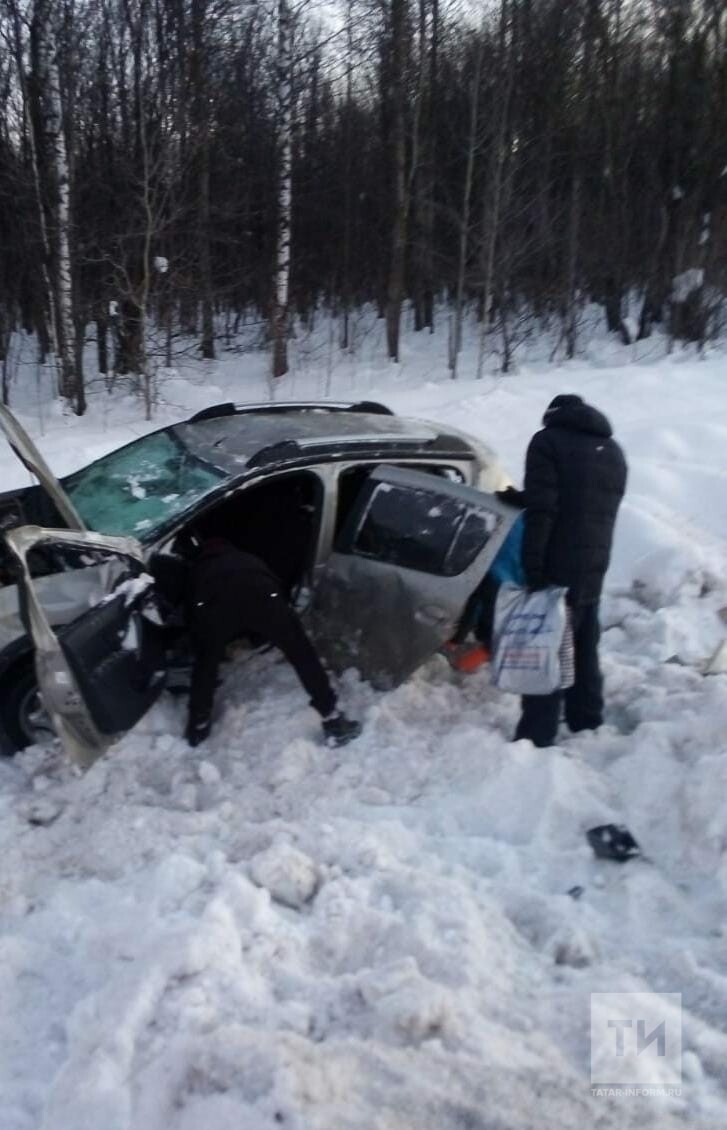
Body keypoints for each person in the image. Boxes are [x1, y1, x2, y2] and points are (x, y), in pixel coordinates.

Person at [500, 394, 627, 748]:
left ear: (553, 417)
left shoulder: (547, 442)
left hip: (557, 563)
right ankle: (586, 718)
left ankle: (536, 735)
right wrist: (524, 498)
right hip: (594, 565)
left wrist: (533, 567)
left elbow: (546, 512)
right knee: (585, 644)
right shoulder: (612, 450)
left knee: (548, 647)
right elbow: (584, 502)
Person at [185, 537, 361, 748]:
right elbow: (277, 590)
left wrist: (207, 643)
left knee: (206, 662)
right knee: (301, 652)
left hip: (215, 601)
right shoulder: (247, 558)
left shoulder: (199, 568)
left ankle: (199, 725)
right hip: (263, 593)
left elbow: (193, 619)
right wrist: (268, 631)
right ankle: (332, 718)